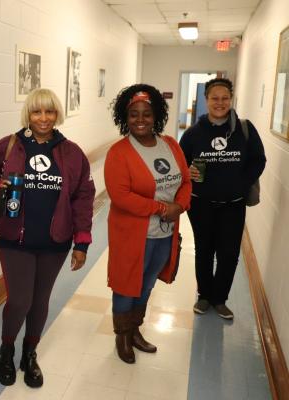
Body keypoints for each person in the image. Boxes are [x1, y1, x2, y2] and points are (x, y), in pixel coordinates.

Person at [0, 88, 95, 388]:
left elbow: (83, 198)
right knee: (19, 300)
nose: (43, 118)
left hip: (55, 242)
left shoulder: (71, 153)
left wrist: (81, 242)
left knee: (40, 301)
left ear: (57, 115)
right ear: (28, 114)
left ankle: (30, 354)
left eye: (50, 111)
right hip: (15, 239)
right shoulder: (9, 146)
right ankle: (7, 350)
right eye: (37, 111)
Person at [105, 84, 192, 364]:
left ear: (157, 116)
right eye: (133, 114)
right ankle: (122, 335)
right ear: (125, 117)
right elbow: (121, 197)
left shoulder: (171, 145)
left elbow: (186, 181)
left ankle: (135, 329)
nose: (140, 120)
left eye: (146, 114)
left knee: (146, 283)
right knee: (126, 284)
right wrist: (161, 208)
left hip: (164, 233)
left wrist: (181, 205)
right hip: (132, 234)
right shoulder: (119, 153)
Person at [180, 78, 266, 320]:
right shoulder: (193, 134)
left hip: (233, 205)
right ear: (206, 100)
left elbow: (259, 160)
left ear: (231, 99)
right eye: (214, 98)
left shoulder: (244, 129)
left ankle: (220, 299)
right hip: (201, 204)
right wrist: (187, 171)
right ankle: (204, 296)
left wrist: (241, 182)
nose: (220, 103)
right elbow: (179, 164)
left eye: (224, 98)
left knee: (228, 254)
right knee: (204, 250)